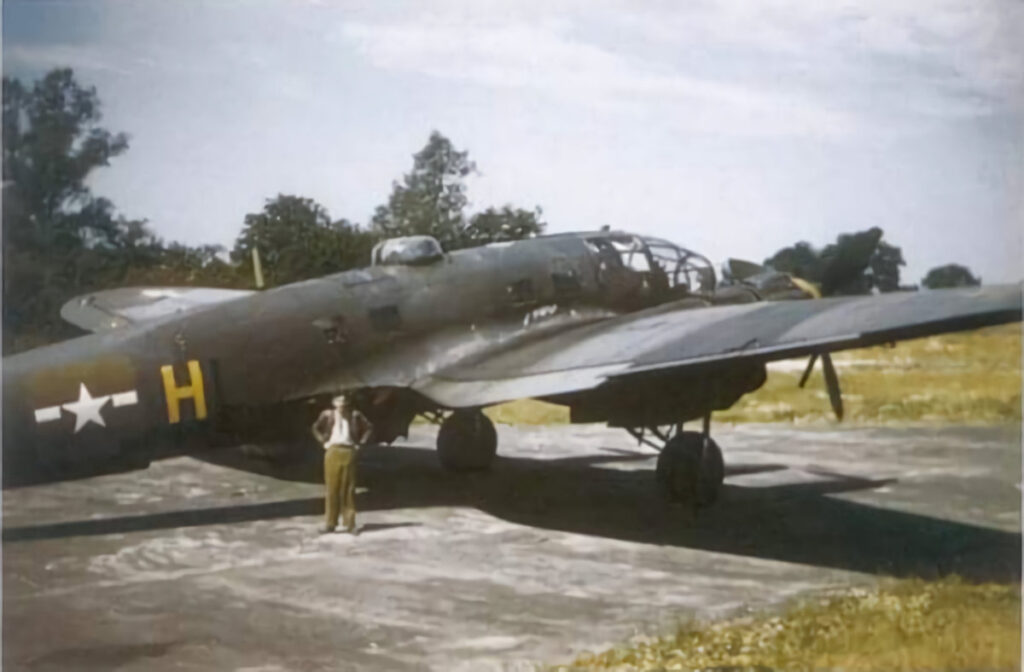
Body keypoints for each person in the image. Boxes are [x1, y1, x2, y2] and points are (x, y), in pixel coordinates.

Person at [312, 394, 372, 534]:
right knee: (332, 488)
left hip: (348, 450)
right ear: (334, 402)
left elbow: (369, 427)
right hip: (332, 451)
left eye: (344, 401)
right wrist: (323, 442)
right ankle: (330, 523)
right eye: (338, 400)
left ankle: (350, 524)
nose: (341, 403)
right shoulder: (327, 415)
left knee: (348, 488)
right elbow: (315, 427)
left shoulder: (355, 415)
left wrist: (360, 444)